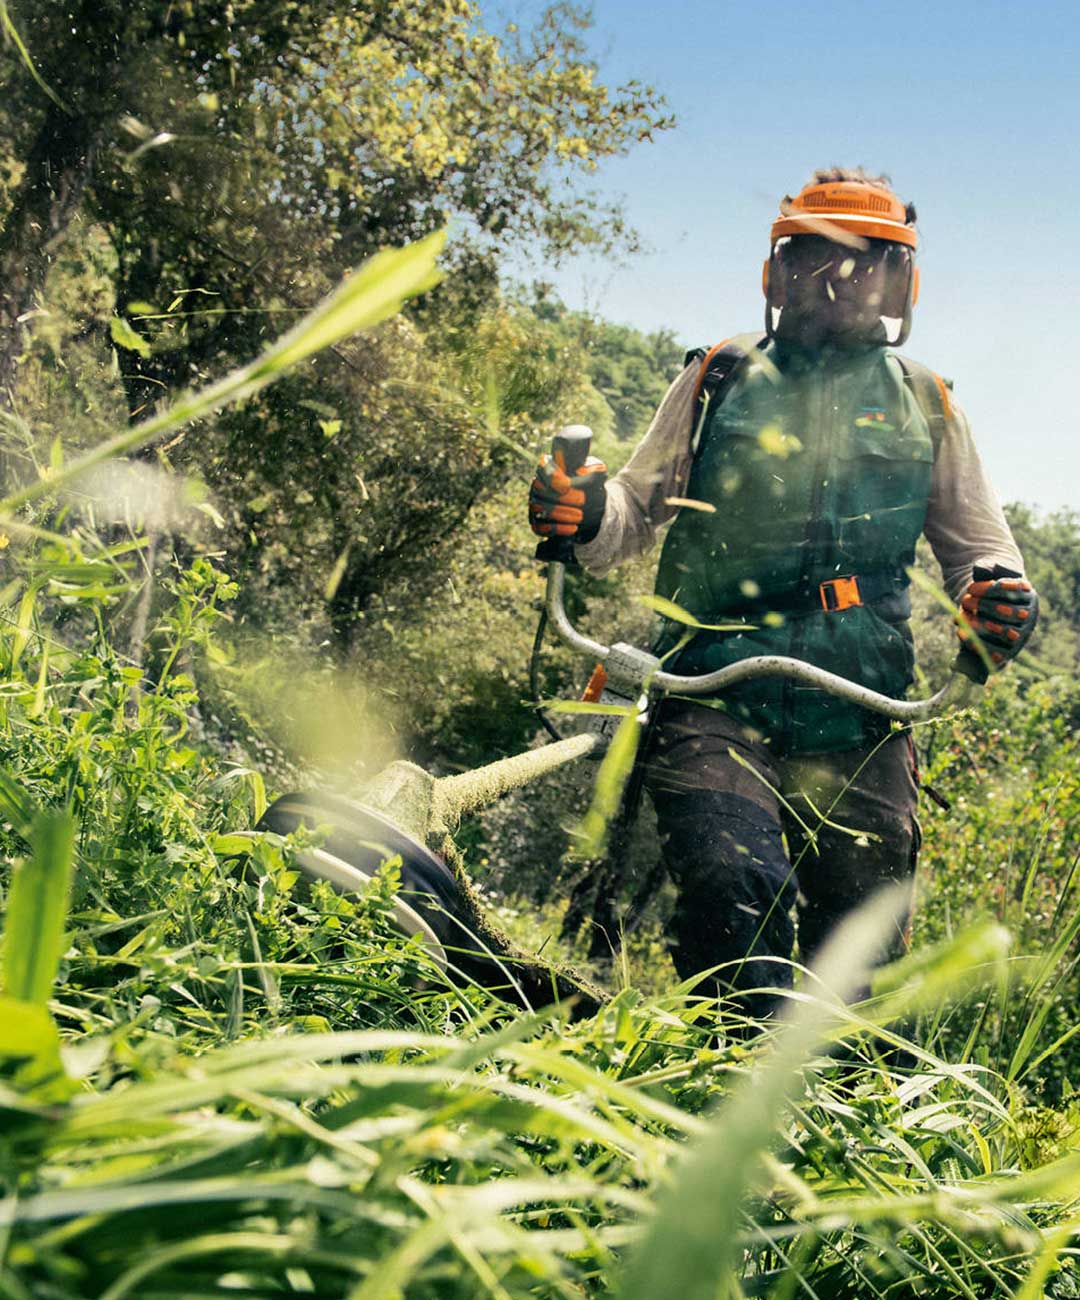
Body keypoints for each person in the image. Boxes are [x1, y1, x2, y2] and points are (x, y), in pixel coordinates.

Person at [528, 167, 1039, 1020]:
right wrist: (580, 512)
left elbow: (983, 552)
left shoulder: (927, 403)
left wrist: (998, 601)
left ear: (898, 280)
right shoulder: (720, 378)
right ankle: (717, 1095)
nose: (836, 279)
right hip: (712, 689)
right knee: (736, 894)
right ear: (778, 269)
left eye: (864, 260)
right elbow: (627, 514)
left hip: (861, 707)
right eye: (813, 257)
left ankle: (825, 1118)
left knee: (859, 950)